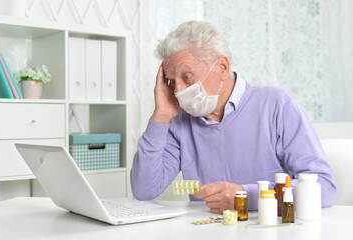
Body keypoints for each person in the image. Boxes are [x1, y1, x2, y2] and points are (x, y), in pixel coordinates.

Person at [130, 21, 337, 214]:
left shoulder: (276, 104)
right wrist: (161, 116)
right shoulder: (178, 121)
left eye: (185, 77)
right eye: (171, 82)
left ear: (222, 68)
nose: (178, 91)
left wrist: (245, 197)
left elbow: (324, 187)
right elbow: (144, 190)